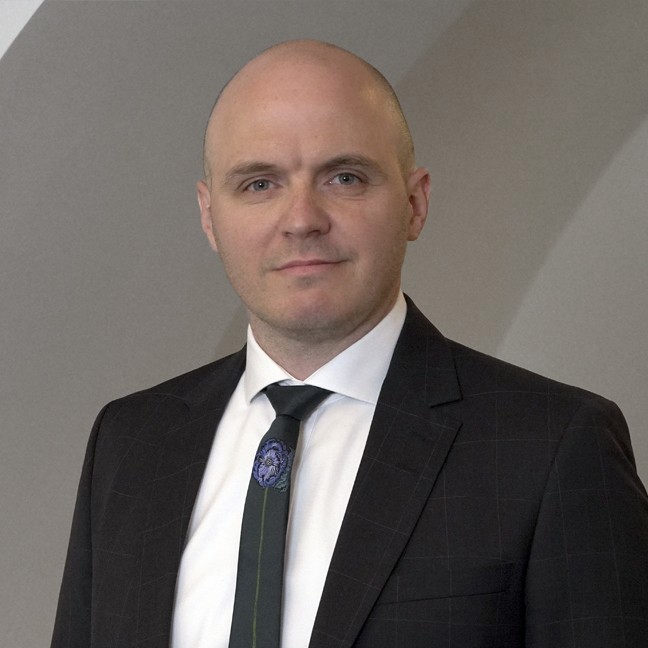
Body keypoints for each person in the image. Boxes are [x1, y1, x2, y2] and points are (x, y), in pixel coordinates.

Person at [51, 40, 648, 648]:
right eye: (259, 184)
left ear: (414, 203)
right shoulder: (132, 442)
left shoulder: (552, 446)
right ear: (209, 216)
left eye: (344, 178)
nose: (301, 219)